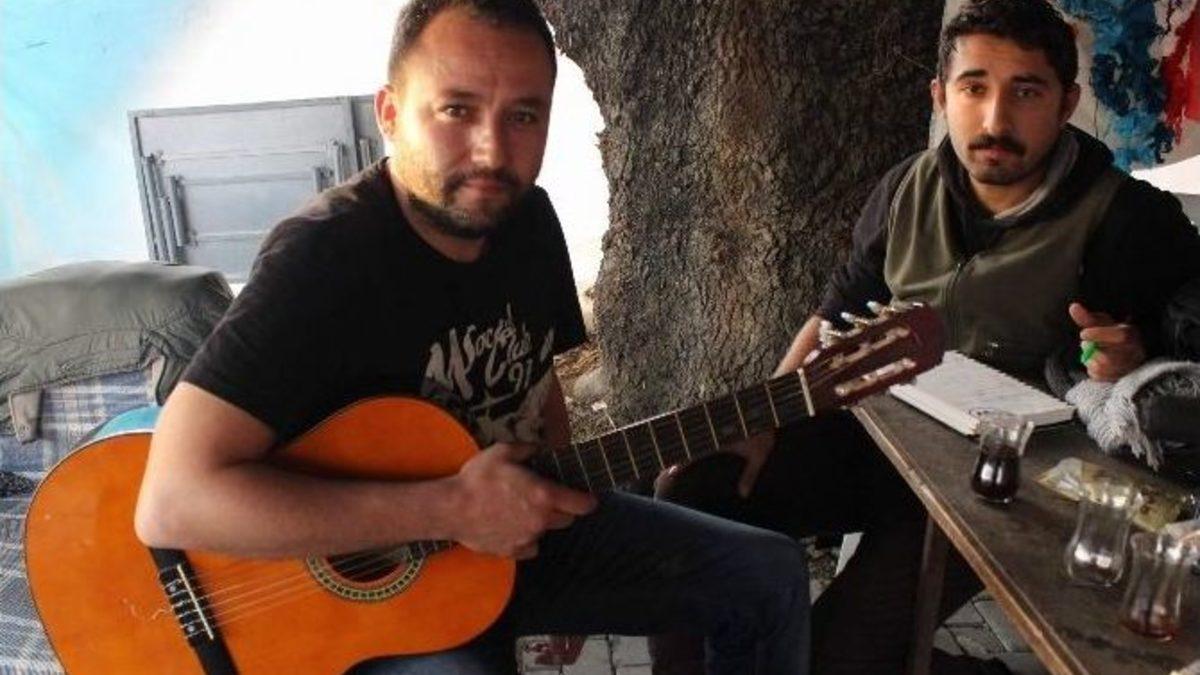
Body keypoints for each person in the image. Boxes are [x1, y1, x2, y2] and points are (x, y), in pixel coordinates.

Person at [133, 2, 810, 674]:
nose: (492, 152)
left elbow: (536, 381)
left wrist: (575, 505)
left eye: (524, 116)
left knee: (768, 576)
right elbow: (172, 502)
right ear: (390, 113)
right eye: (457, 109)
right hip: (358, 602)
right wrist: (453, 509)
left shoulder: (528, 220)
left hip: (508, 536)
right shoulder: (323, 260)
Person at [652, 1, 1200, 673]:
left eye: (1026, 92)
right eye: (974, 88)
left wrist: (1133, 361)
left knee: (836, 654)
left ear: (1066, 103)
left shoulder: (1127, 219)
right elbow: (832, 316)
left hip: (996, 485)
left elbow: (1176, 365)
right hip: (874, 439)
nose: (995, 121)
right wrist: (765, 418)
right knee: (691, 495)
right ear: (941, 95)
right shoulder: (906, 186)